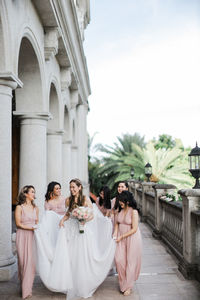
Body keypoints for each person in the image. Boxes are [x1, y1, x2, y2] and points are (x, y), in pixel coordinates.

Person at [34, 178, 116, 299]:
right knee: (72, 257)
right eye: (70, 187)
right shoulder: (68, 200)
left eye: (74, 187)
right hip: (71, 231)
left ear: (79, 188)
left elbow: (92, 215)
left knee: (82, 257)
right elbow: (68, 213)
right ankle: (71, 284)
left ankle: (83, 284)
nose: (72, 189)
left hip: (83, 231)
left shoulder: (85, 199)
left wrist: (84, 219)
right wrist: (62, 220)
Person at [113, 191, 142, 296]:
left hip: (132, 238)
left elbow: (134, 229)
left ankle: (128, 286)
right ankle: (122, 283)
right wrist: (115, 234)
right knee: (119, 260)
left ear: (128, 201)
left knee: (130, 262)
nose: (120, 202)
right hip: (120, 237)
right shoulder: (119, 210)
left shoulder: (133, 211)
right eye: (119, 200)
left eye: (122, 200)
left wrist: (121, 236)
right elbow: (116, 223)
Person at [15, 185, 39, 299]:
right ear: (25, 194)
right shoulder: (19, 207)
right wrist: (31, 228)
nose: (34, 194)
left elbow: (37, 223)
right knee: (23, 262)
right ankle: (24, 287)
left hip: (33, 236)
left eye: (34, 192)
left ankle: (27, 290)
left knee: (31, 263)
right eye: (32, 192)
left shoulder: (36, 208)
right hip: (22, 235)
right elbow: (18, 224)